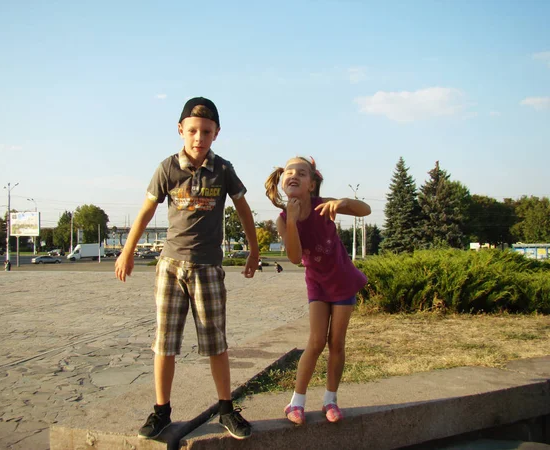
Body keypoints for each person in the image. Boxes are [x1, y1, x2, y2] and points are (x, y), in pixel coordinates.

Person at [115, 97, 259, 440]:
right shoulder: (167, 168)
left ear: (216, 134)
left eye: (206, 132)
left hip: (208, 268)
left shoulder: (223, 169)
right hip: (170, 268)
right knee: (164, 343)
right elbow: (147, 211)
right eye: (193, 131)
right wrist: (127, 250)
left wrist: (254, 251)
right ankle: (161, 412)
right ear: (181, 130)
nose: (199, 138)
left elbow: (243, 210)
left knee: (215, 342)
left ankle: (226, 409)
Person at [264, 156, 371, 425]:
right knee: (315, 341)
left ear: (311, 184)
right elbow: (294, 256)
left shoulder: (324, 206)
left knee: (337, 343)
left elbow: (366, 209)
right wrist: (290, 219)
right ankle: (295, 403)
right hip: (317, 282)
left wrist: (343, 203)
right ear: (282, 181)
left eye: (302, 172)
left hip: (343, 279)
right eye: (289, 171)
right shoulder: (281, 219)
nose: (294, 175)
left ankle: (330, 400)